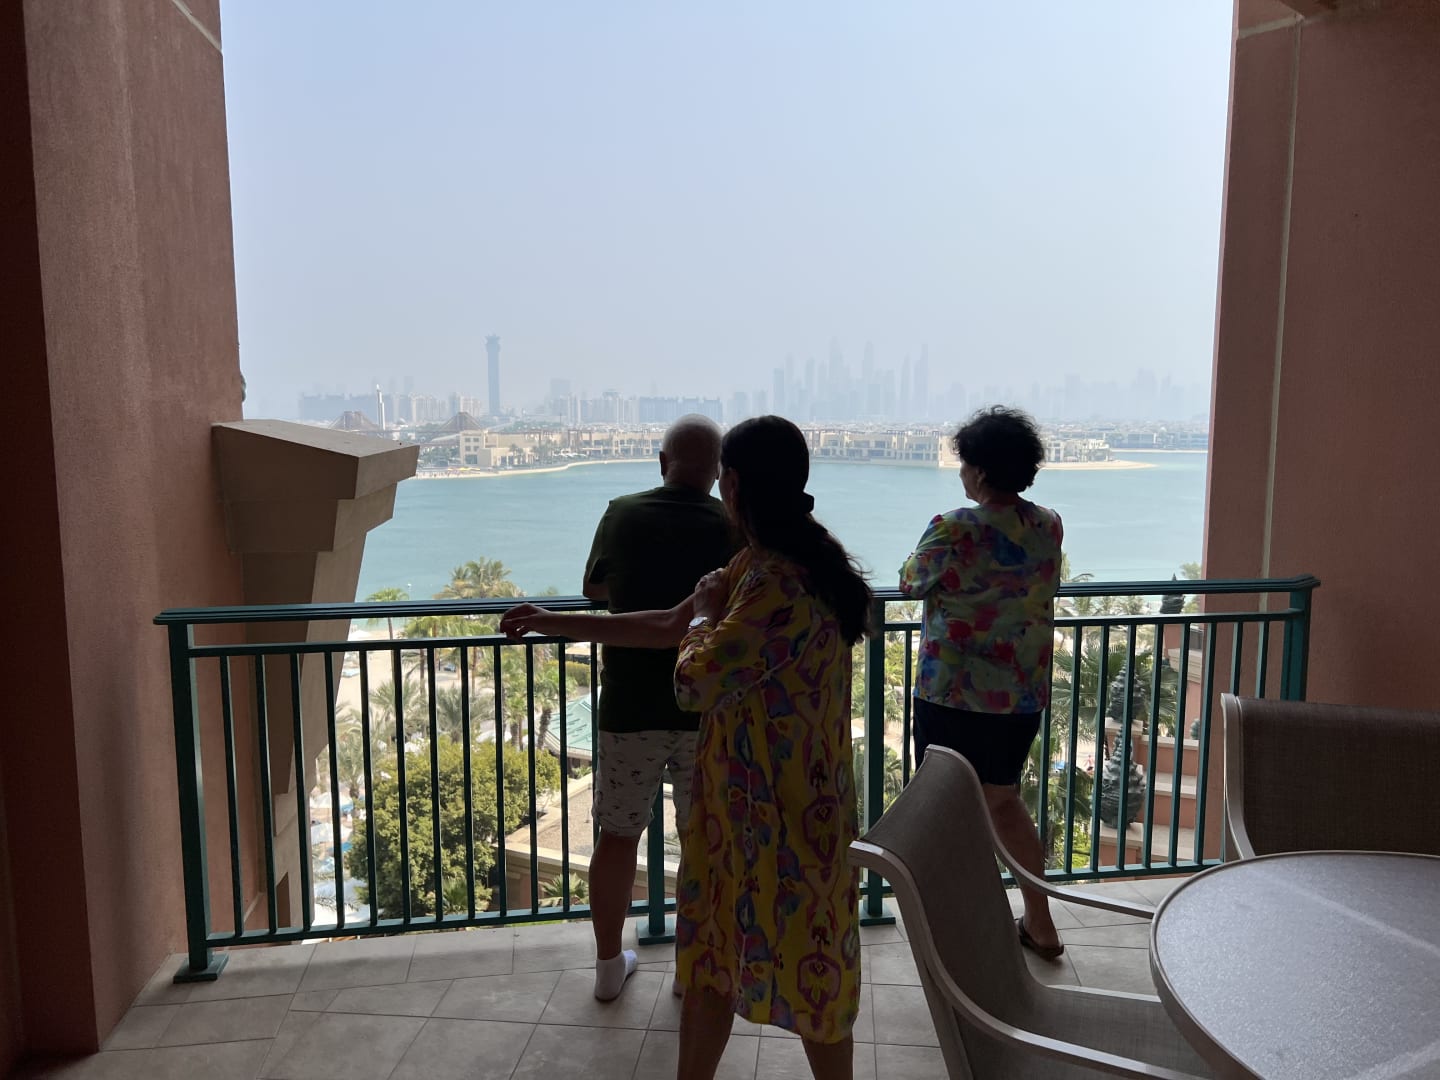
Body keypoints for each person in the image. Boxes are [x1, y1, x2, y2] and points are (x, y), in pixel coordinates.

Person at [501, 415, 870, 1080]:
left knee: (806, 972)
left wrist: (702, 616)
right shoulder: (770, 560)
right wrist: (551, 621)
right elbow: (668, 623)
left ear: (733, 484)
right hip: (748, 812)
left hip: (781, 816)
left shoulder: (776, 579)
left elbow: (693, 677)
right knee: (717, 966)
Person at [898, 405, 1066, 959]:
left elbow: (910, 583)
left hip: (954, 693)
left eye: (965, 463)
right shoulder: (1048, 524)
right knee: (1003, 802)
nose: (961, 473)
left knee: (943, 808)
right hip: (1020, 694)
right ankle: (1040, 922)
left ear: (982, 470)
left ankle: (952, 931)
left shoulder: (954, 527)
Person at [579, 414, 736, 1002]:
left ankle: (606, 967)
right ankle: (692, 969)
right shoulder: (733, 524)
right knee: (702, 841)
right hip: (707, 709)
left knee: (617, 838)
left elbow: (595, 590)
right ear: (718, 472)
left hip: (630, 704)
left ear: (662, 460)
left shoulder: (621, 513)